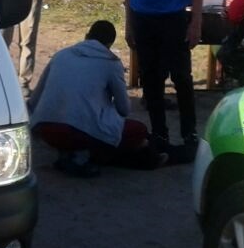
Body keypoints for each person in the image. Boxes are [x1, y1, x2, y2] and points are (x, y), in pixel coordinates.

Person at [29, 20, 169, 177]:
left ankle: (75, 154)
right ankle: (86, 155)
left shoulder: (61, 55)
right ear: (109, 44)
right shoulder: (111, 63)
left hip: (46, 131)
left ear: (86, 36)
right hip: (78, 132)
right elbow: (124, 109)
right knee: (139, 131)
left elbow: (34, 100)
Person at [119, 0, 203, 159]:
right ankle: (160, 133)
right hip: (143, 17)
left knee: (181, 77)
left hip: (173, 17)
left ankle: (189, 133)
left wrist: (195, 23)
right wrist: (129, 24)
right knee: (151, 79)